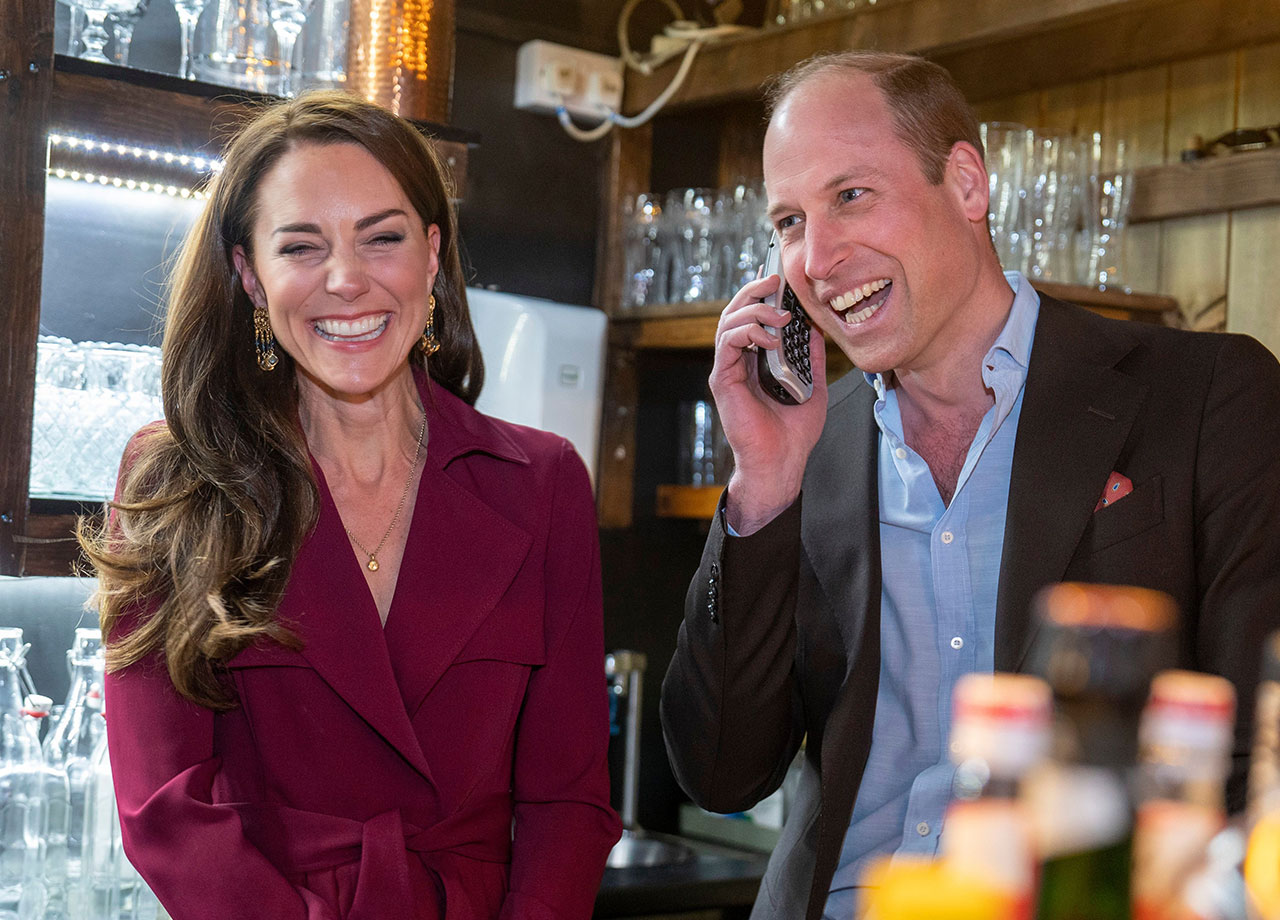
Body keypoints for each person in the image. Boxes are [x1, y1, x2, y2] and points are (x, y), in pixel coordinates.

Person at [660, 50, 1280, 920]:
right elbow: (722, 772)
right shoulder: (808, 445)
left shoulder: (1209, 393)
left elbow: (1262, 753)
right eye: (790, 220)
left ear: (965, 184)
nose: (819, 257)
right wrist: (762, 485)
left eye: (851, 196)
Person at [81, 91, 621, 919]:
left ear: (432, 254)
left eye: (383, 238)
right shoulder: (174, 478)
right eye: (302, 246)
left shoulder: (542, 482)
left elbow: (568, 802)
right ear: (249, 276)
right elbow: (167, 809)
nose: (346, 280)